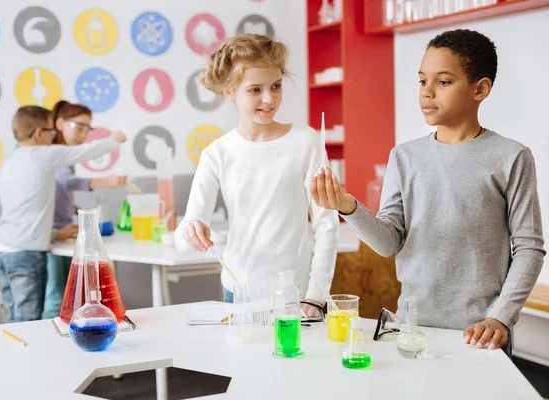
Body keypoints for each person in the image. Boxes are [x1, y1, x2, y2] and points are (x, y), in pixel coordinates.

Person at [311, 29, 545, 354]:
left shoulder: (511, 157)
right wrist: (348, 206)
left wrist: (500, 318)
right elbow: (388, 242)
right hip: (412, 330)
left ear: (481, 88)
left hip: (480, 334)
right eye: (422, 81)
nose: (427, 92)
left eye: (443, 82)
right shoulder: (404, 157)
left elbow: (529, 248)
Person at [175, 34, 339, 316]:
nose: (269, 98)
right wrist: (190, 231)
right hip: (238, 291)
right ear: (230, 91)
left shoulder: (305, 141)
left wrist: (316, 295)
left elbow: (327, 224)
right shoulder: (217, 153)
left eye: (276, 86)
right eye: (255, 90)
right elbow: (185, 232)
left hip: (296, 295)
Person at [0, 105, 126, 322]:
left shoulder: (10, 162)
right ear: (38, 133)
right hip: (26, 254)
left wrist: (55, 234)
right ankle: (30, 356)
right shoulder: (43, 155)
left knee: (15, 317)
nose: (55, 136)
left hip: (2, 251)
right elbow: (84, 152)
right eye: (51, 131)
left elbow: (25, 215)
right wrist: (114, 140)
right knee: (28, 322)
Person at [41, 100, 127, 319]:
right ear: (60, 124)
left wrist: (72, 206)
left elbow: (58, 189)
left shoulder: (63, 154)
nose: (82, 134)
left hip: (61, 230)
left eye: (87, 129)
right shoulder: (54, 153)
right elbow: (65, 182)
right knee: (56, 296)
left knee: (62, 294)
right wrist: (102, 182)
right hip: (53, 234)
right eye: (78, 127)